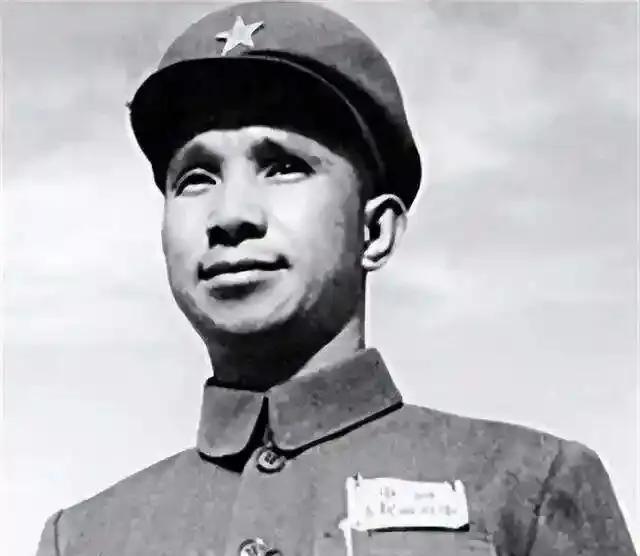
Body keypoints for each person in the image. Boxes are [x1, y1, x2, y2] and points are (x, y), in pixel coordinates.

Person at [35, 2, 635, 555]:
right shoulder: (86, 539)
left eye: (284, 167)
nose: (230, 216)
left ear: (374, 231)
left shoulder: (524, 488)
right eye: (195, 179)